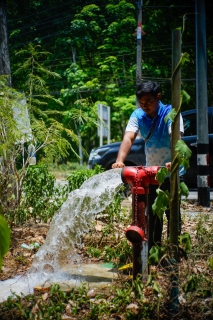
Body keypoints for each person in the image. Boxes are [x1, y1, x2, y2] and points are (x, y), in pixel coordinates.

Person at [112, 81, 184, 250]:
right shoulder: (138, 115)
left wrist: (173, 159)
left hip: (171, 171)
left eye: (148, 102)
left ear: (158, 97)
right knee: (153, 214)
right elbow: (129, 137)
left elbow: (176, 137)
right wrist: (120, 160)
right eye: (141, 103)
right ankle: (154, 251)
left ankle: (175, 251)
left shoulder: (170, 113)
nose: (144, 106)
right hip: (152, 174)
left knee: (172, 214)